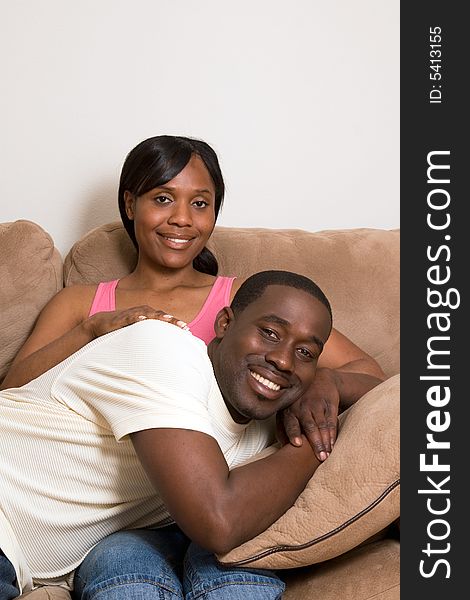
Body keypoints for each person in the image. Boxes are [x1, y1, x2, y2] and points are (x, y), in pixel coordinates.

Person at [1, 134, 385, 458]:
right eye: (163, 199)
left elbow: (370, 373)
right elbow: (12, 392)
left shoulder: (245, 302)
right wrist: (93, 330)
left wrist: (327, 382)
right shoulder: (81, 304)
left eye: (199, 203)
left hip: (206, 488)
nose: (182, 219)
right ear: (132, 204)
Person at [1, 269, 334, 599]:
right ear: (225, 324)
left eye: (306, 353)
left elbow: (380, 387)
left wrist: (331, 382)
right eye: (271, 333)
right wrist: (313, 441)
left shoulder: (262, 425)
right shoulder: (164, 351)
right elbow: (218, 522)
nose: (284, 361)